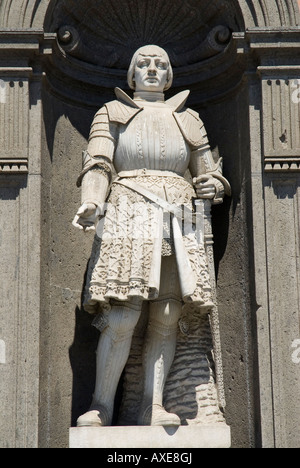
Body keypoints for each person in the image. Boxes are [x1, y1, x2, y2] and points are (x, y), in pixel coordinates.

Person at [73, 45, 230, 427]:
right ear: (131, 74)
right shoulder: (111, 113)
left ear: (170, 74)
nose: (153, 69)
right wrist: (92, 200)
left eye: (161, 64)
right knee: (123, 313)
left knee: (167, 311)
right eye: (144, 64)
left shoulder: (188, 117)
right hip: (129, 209)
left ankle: (153, 404)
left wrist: (213, 185)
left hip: (180, 213)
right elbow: (98, 163)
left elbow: (207, 171)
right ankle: (101, 405)